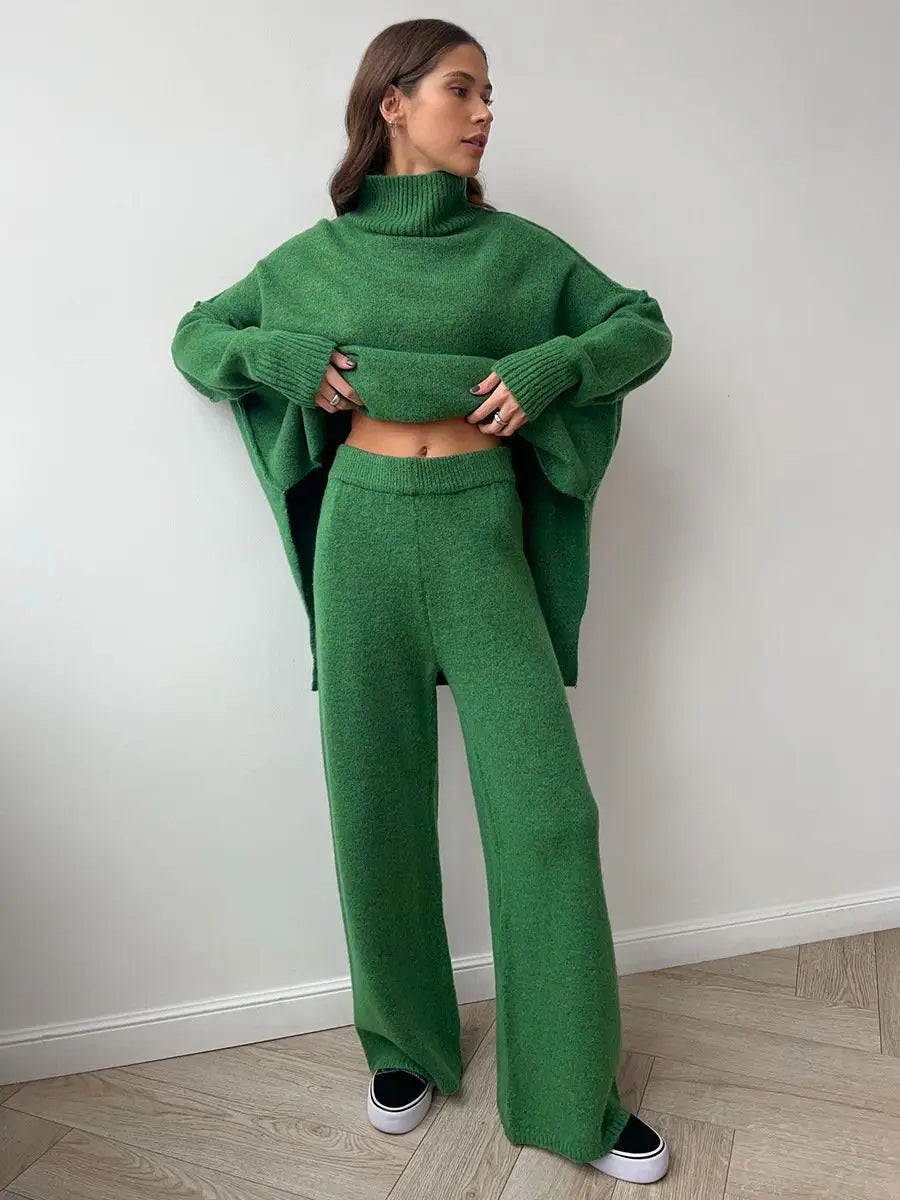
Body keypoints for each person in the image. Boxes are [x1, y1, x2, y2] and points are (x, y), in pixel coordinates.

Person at [170, 18, 673, 1186]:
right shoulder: (318, 259)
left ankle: (574, 1095)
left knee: (549, 816)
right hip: (361, 534)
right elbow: (198, 335)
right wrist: (280, 359)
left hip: (480, 535)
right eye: (463, 89)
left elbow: (639, 324)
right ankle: (402, 1046)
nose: (487, 112)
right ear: (391, 103)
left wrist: (558, 365)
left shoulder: (517, 253)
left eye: (491, 92)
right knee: (375, 798)